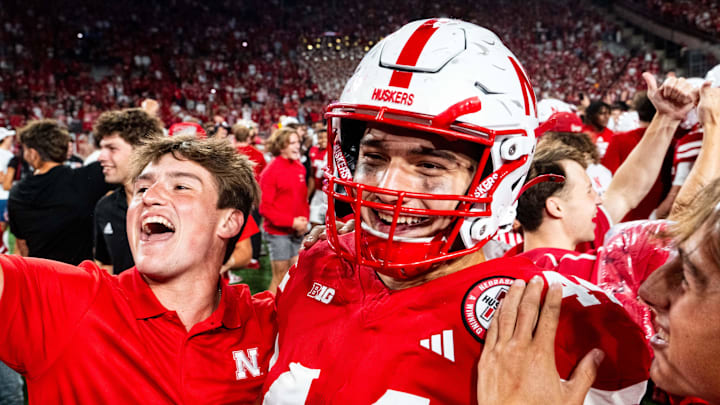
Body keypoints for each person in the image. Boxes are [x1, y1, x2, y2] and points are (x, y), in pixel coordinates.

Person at [262, 18, 650, 404]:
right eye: (374, 156)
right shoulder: (319, 263)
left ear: (499, 177)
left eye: (430, 165)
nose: (387, 186)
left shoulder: (553, 319)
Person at [476, 81, 720, 405]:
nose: (600, 198)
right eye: (589, 190)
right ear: (556, 207)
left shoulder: (500, 266)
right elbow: (682, 228)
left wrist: (667, 118)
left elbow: (626, 190)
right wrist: (713, 129)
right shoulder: (598, 266)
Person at [0, 136, 276, 403]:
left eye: (180, 186)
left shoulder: (265, 325)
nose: (149, 197)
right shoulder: (67, 303)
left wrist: (320, 248)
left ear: (229, 222)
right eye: (141, 189)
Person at [8, 120, 112, 264]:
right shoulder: (86, 179)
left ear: (33, 153)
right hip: (79, 277)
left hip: (41, 276)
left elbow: (22, 247)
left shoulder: (18, 193)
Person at [93, 108, 164, 274]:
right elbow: (106, 265)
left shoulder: (175, 203)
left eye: (112, 148)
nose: (101, 157)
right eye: (102, 148)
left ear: (141, 150)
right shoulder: (105, 208)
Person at [602, 91, 671, 221]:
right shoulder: (674, 141)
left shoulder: (620, 140)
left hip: (627, 218)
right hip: (663, 217)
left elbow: (607, 177)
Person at [259, 127, 309, 294]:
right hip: (278, 233)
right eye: (292, 143)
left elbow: (303, 199)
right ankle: (267, 316)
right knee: (280, 278)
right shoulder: (270, 172)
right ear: (281, 147)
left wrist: (303, 221)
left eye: (298, 142)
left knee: (295, 276)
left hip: (297, 231)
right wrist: (292, 222)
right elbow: (265, 208)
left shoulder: (299, 167)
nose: (297, 146)